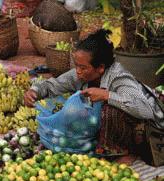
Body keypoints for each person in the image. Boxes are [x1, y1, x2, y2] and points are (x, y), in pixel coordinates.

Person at [24, 29, 164, 164]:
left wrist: (106, 95)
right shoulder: (82, 74)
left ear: (101, 68)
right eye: (76, 66)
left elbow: (145, 109)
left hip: (152, 128)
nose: (78, 72)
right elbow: (54, 85)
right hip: (132, 120)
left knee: (108, 109)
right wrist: (35, 91)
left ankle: (127, 151)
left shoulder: (119, 78)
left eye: (83, 67)